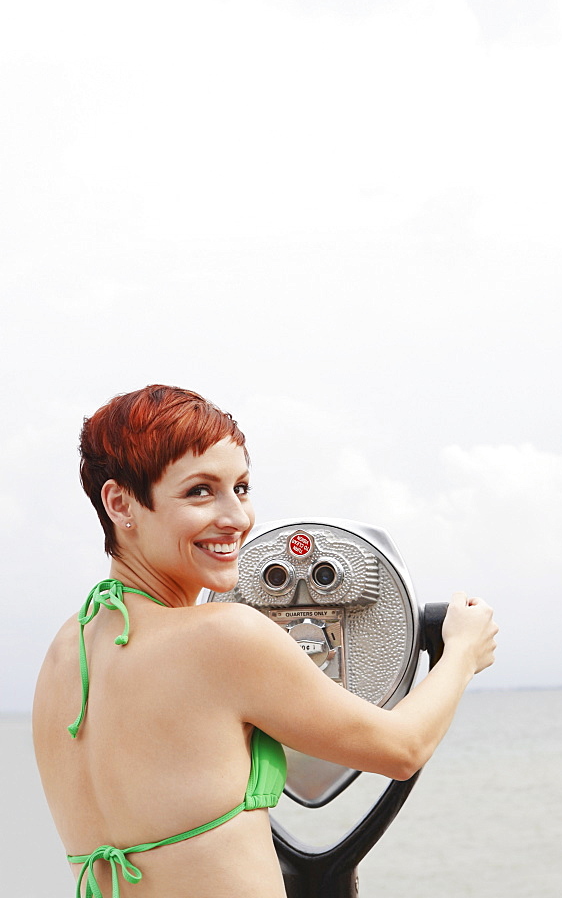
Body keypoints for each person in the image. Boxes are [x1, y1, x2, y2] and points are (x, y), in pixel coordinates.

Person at [33, 384, 498, 898]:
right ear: (121, 502)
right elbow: (402, 748)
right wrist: (460, 652)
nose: (236, 518)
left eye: (242, 487)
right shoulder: (223, 635)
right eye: (200, 491)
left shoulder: (62, 654)